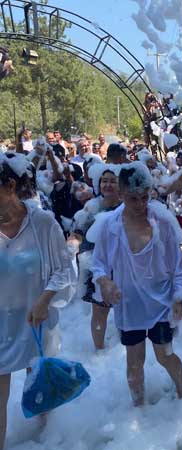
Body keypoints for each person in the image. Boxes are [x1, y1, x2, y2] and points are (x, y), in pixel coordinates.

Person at [91, 162, 182, 406]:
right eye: (133, 199)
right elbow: (98, 263)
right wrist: (104, 282)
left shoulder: (162, 222)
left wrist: (179, 296)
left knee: (164, 356)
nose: (140, 205)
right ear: (121, 194)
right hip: (129, 303)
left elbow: (179, 264)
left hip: (161, 301)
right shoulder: (110, 225)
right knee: (134, 363)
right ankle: (139, 410)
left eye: (145, 198)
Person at [1, 152, 76, 450]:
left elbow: (63, 268)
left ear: (9, 186)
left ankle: (47, 440)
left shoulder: (41, 223)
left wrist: (45, 299)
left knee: (40, 389)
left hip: (36, 320)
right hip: (1, 323)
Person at [70, 164, 122, 350]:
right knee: (99, 310)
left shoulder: (127, 206)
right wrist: (72, 245)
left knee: (125, 307)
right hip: (96, 264)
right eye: (104, 181)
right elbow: (77, 232)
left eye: (112, 181)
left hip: (123, 264)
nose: (107, 185)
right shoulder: (92, 207)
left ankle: (126, 343)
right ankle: (99, 348)